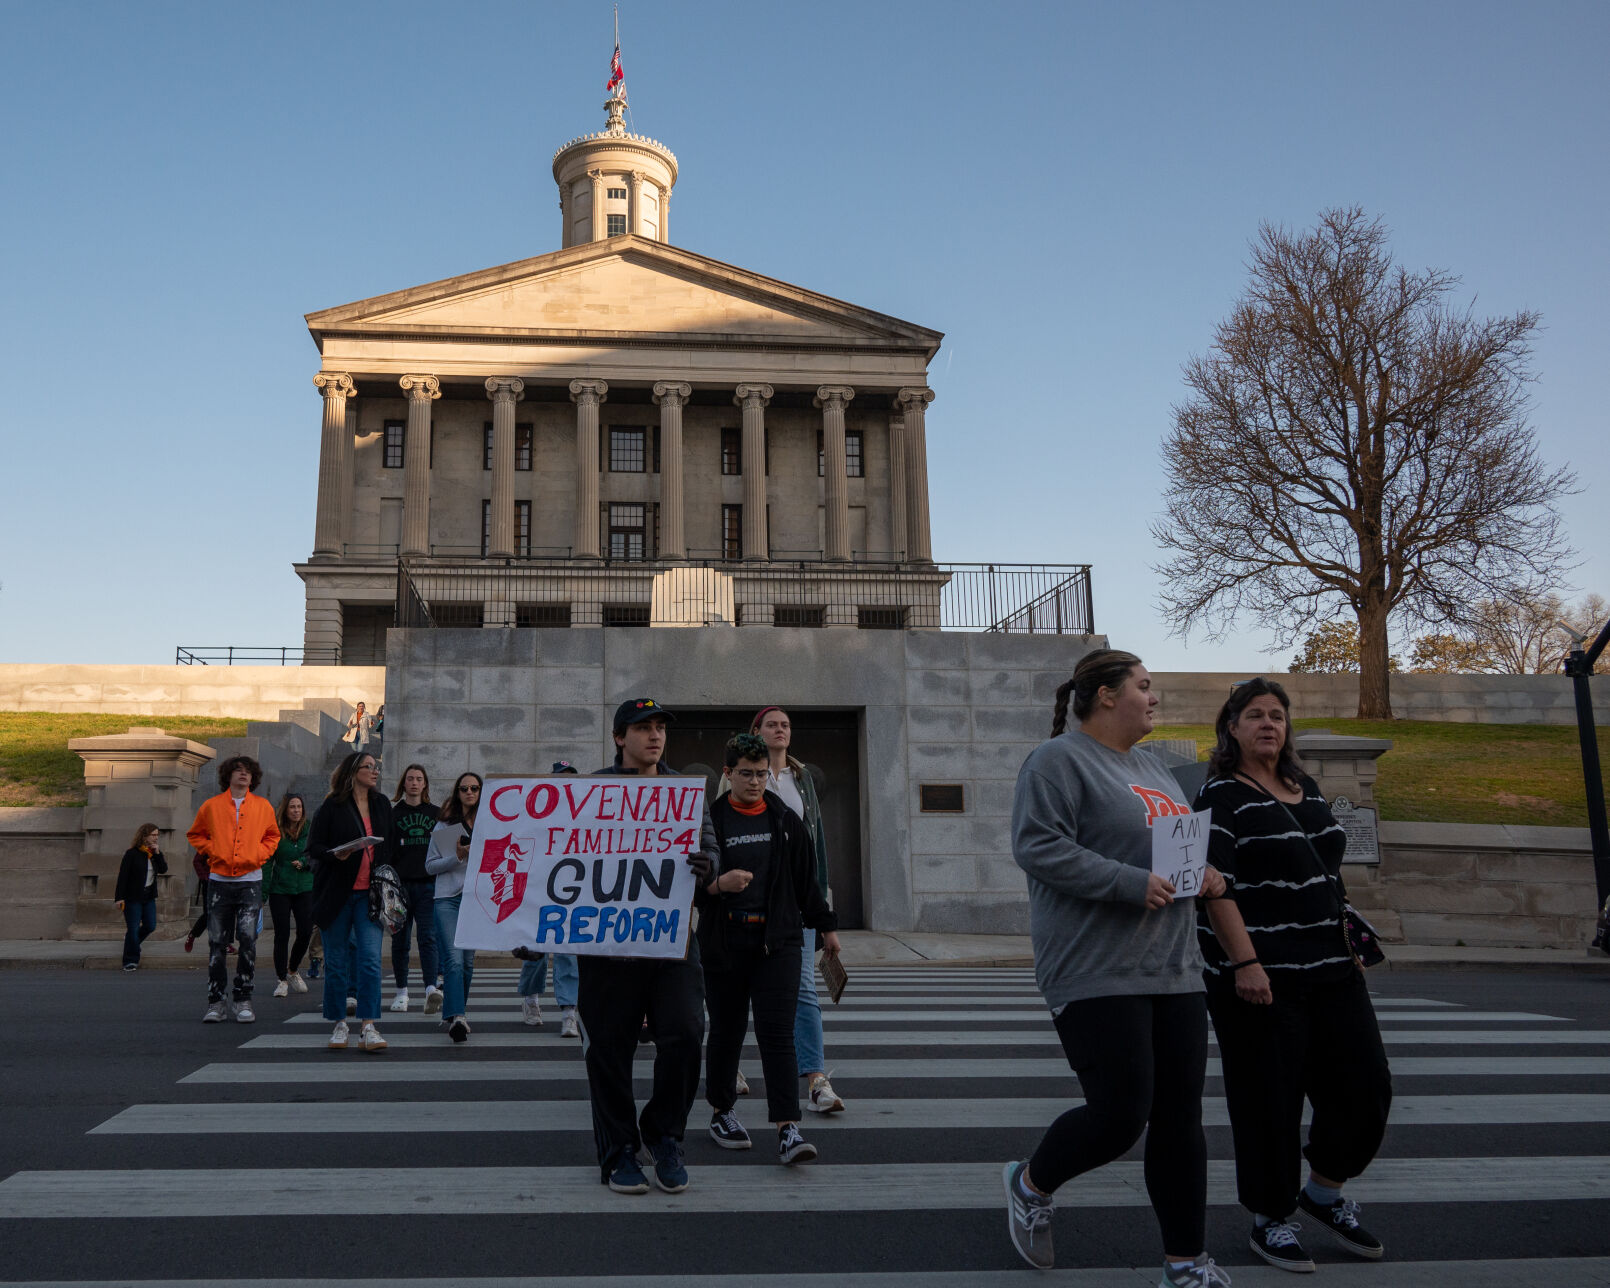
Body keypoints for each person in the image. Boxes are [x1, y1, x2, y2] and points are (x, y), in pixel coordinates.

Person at [1004, 649, 1230, 1288]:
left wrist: (1204, 875)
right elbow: (1037, 845)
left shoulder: (1156, 769)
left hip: (1176, 968)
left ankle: (1185, 1263)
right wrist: (1129, 882)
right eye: (1144, 686)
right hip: (1095, 967)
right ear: (1105, 695)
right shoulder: (1056, 760)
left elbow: (1174, 852)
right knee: (1120, 1115)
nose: (1154, 698)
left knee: (1182, 1120)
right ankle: (1029, 1183)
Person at [1197, 677, 1393, 1272]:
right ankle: (1270, 1219)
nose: (1268, 724)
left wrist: (1348, 930)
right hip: (1262, 977)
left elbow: (1327, 869)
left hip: (1332, 968)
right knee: (1268, 1103)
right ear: (1231, 728)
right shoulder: (1221, 796)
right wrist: (1246, 964)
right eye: (1254, 715)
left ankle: (1324, 1194)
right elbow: (1215, 888)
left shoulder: (1303, 787)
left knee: (1366, 1090)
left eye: (1277, 715)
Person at [579, 698, 716, 1196]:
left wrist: (709, 867)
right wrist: (531, 931)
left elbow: (709, 845)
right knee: (609, 1052)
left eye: (660, 728)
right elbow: (559, 861)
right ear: (620, 738)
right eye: (643, 728)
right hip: (607, 948)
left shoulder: (684, 792)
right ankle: (618, 1151)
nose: (655, 736)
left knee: (683, 1034)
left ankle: (663, 1136)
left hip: (672, 941)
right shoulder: (591, 790)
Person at [703, 733, 842, 1166]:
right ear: (728, 774)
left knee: (777, 1034)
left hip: (776, 943)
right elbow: (687, 886)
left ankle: (787, 1128)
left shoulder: (784, 819)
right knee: (726, 1032)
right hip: (727, 942)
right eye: (746, 774)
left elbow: (807, 882)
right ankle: (722, 1112)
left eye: (762, 774)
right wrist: (717, 886)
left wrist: (827, 928)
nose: (756, 782)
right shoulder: (712, 820)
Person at [309, 750, 393, 1053]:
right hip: (337, 894)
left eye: (376, 767)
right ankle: (339, 1023)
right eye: (369, 767)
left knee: (370, 959)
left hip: (369, 896)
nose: (375, 771)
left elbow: (391, 847)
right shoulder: (333, 805)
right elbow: (314, 847)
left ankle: (368, 1025)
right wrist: (336, 853)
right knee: (336, 962)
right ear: (354, 771)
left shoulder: (382, 804)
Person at [187, 755, 280, 1024]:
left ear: (254, 778)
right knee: (217, 942)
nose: (243, 775)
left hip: (250, 881)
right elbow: (196, 835)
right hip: (219, 881)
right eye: (238, 770)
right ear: (228, 775)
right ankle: (216, 1001)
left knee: (248, 940)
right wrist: (213, 850)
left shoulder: (263, 807)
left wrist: (258, 855)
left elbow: (272, 836)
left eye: (248, 771)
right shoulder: (212, 806)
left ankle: (242, 998)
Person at [514, 761, 582, 1035]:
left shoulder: (582, 813)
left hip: (572, 889)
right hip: (539, 888)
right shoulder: (537, 814)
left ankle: (569, 1011)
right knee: (536, 950)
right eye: (560, 779)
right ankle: (531, 999)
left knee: (569, 951)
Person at [426, 772, 482, 1044]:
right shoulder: (444, 826)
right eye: (464, 788)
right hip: (447, 898)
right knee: (454, 959)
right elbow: (430, 866)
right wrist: (456, 856)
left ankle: (455, 1013)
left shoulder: (489, 824)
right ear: (457, 792)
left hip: (474, 899)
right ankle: (458, 1017)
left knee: (468, 964)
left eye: (474, 788)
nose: (469, 792)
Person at [388, 764, 442, 1015]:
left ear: (425, 784)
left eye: (419, 779)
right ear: (403, 783)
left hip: (428, 885)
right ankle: (402, 992)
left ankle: (431, 988)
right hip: (399, 888)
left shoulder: (436, 814)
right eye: (410, 778)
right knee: (400, 941)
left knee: (428, 938)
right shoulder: (393, 814)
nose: (414, 783)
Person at [264, 794, 315, 997]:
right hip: (280, 888)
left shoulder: (310, 828)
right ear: (285, 810)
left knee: (305, 931)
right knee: (281, 934)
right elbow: (267, 861)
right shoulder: (275, 831)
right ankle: (281, 979)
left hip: (304, 886)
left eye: (299, 807)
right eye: (292, 807)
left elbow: (316, 852)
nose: (296, 810)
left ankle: (293, 970)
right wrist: (263, 891)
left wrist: (304, 861)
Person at [114, 824, 168, 971]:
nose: (156, 837)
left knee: (150, 925)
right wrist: (119, 898)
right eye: (153, 835)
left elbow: (163, 869)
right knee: (132, 928)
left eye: (157, 835)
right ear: (144, 836)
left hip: (148, 896)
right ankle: (130, 960)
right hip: (132, 897)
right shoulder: (132, 854)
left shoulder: (153, 853)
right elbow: (123, 876)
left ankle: (132, 942)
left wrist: (157, 853)